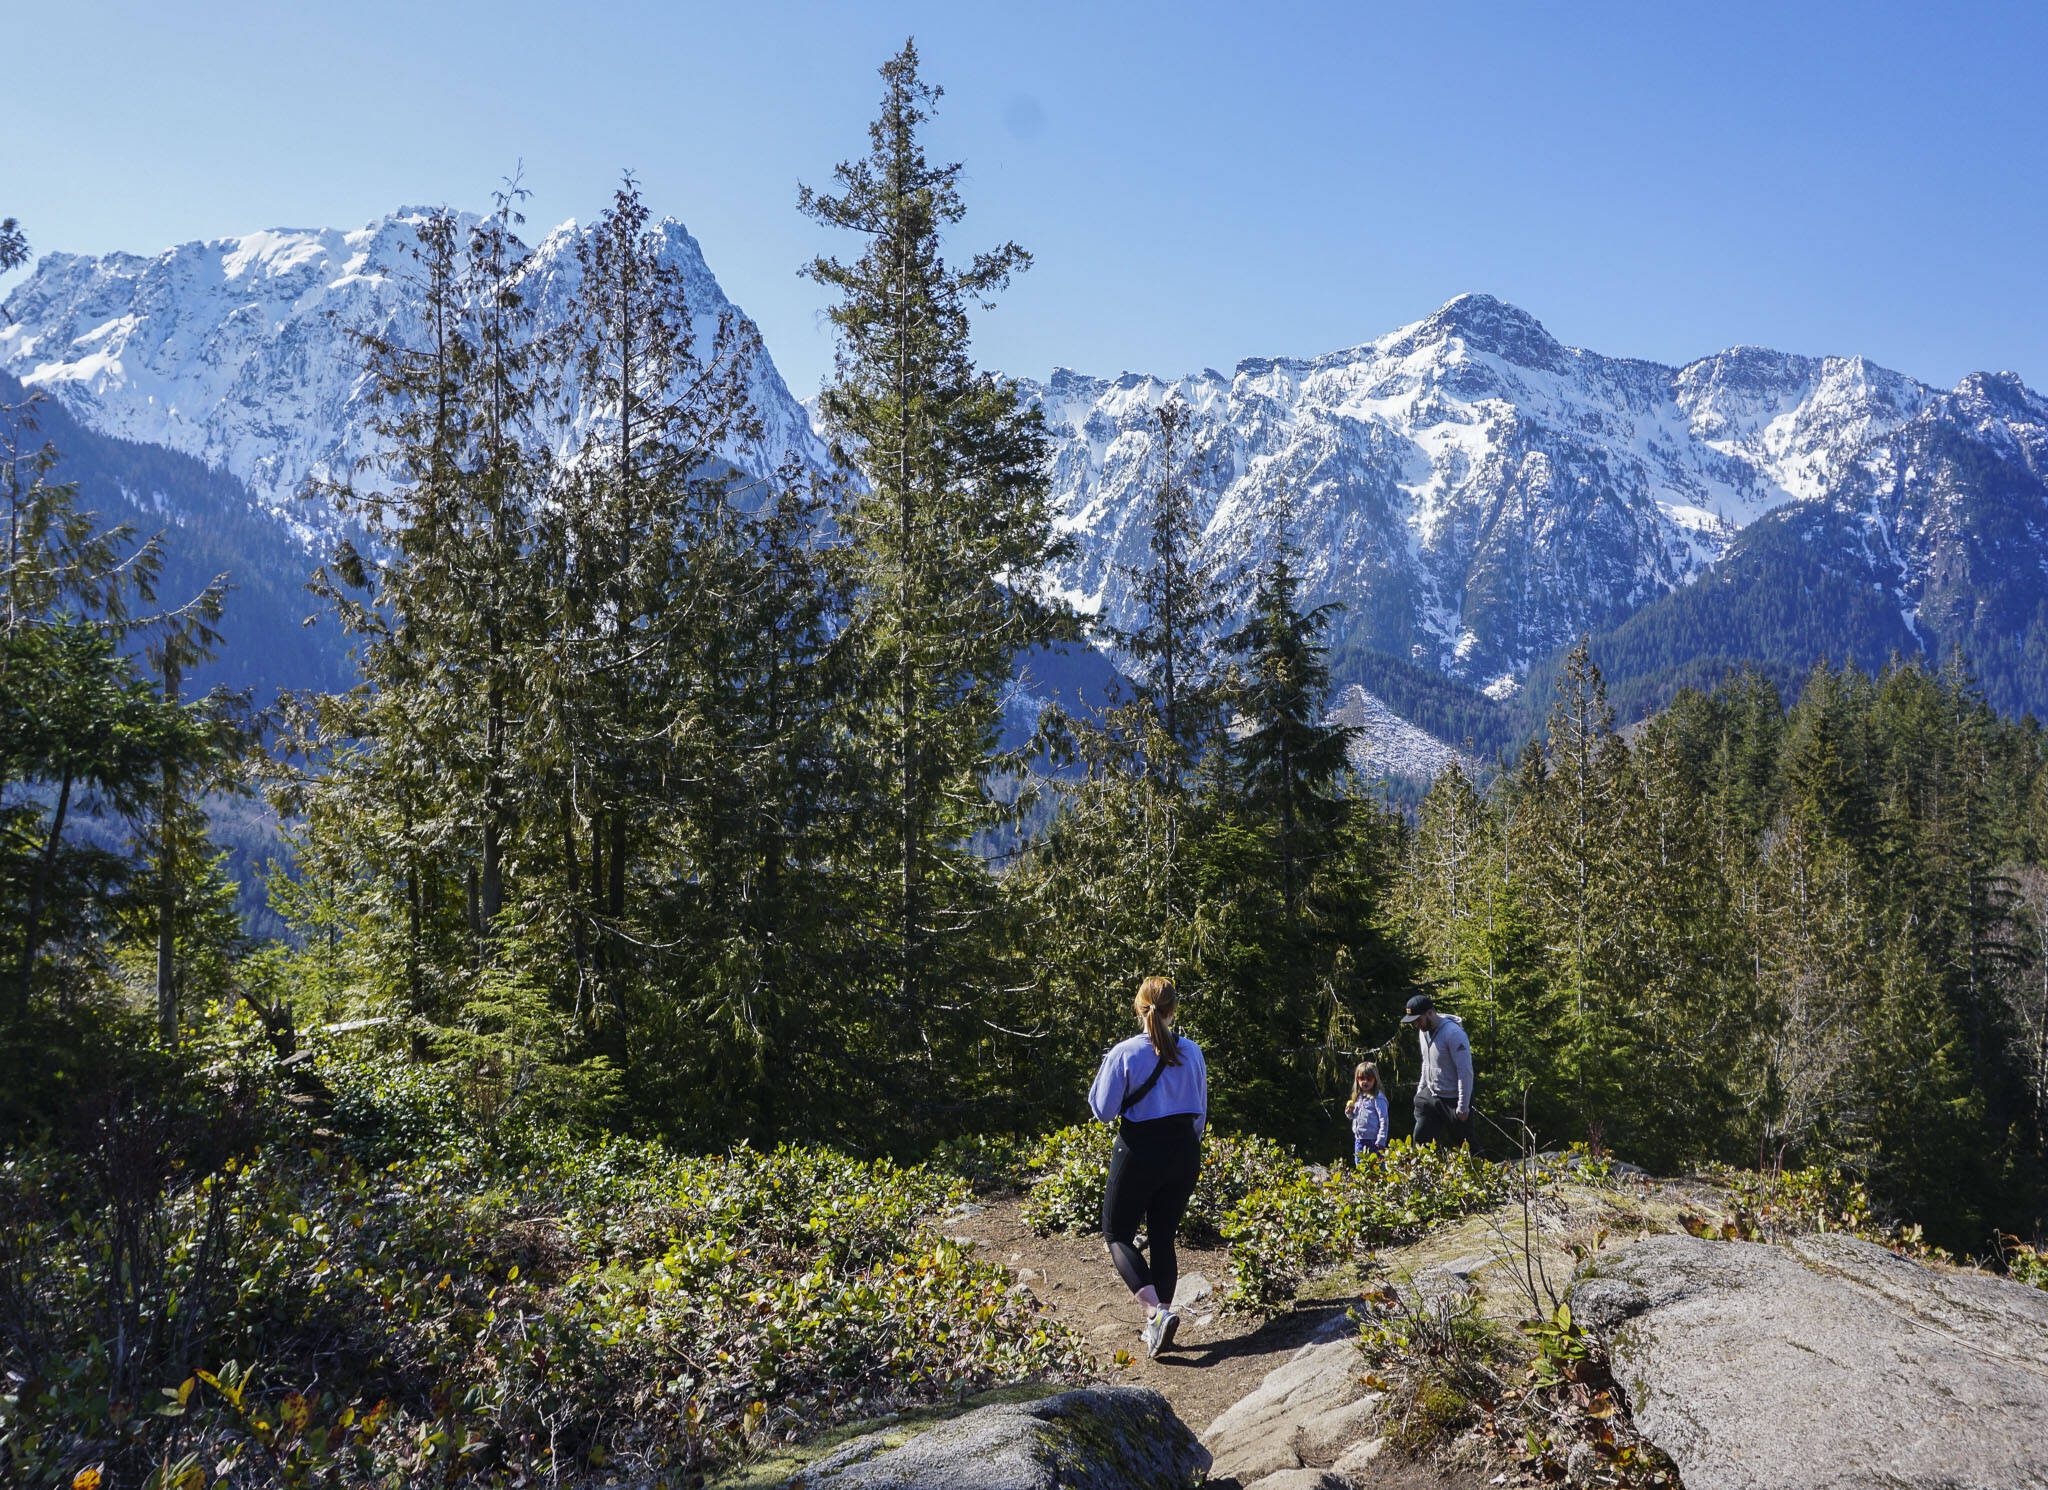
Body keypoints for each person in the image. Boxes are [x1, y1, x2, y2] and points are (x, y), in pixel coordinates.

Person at [1088, 975, 1208, 1358]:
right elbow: (1200, 1110)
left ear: (1139, 1007)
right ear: (1174, 1010)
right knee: (1162, 1234)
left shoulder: (1124, 1053)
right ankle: (1161, 1318)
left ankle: (1156, 1314)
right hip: (1185, 1150)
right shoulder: (1193, 1051)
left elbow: (1104, 1111)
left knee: (1117, 1232)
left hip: (1141, 1148)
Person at [1401, 994, 1474, 1148]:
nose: (1416, 1025)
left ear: (1430, 1012)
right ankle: (1422, 1171)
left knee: (1467, 1146)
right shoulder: (1423, 1032)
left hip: (1453, 1099)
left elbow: (1465, 1071)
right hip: (1431, 1094)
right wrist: (1420, 1091)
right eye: (1414, 1022)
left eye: (1418, 1020)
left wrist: (1463, 1106)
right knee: (1421, 1139)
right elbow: (1426, 1062)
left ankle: (1483, 1171)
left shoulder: (1453, 1034)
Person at [1345, 1060, 1389, 1160]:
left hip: (1374, 1141)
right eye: (1361, 1078)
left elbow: (1384, 1120)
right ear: (1357, 1080)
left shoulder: (1378, 1098)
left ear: (1375, 1080)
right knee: (1360, 1167)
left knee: (1375, 1169)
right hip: (1359, 1140)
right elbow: (1354, 1116)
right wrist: (1349, 1112)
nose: (1365, 1082)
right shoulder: (1358, 1097)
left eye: (1369, 1079)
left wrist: (1381, 1140)